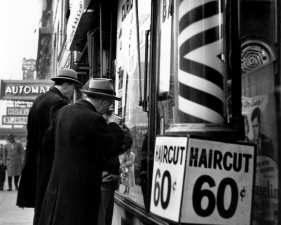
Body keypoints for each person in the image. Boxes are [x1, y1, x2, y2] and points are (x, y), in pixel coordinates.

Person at [38, 78, 123, 225]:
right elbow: (111, 148)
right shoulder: (94, 119)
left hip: (56, 192)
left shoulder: (63, 111)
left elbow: (47, 143)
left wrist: (64, 161)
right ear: (103, 101)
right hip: (79, 195)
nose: (110, 107)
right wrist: (114, 126)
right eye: (110, 103)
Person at [16, 68, 81, 225]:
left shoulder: (40, 99)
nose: (74, 91)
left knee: (40, 208)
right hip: (49, 164)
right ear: (66, 85)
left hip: (35, 163)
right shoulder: (58, 102)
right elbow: (57, 135)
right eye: (73, 87)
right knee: (50, 209)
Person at [98, 109, 133, 225]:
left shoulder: (108, 127)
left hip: (106, 174)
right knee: (104, 213)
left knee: (101, 214)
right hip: (109, 173)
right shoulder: (110, 127)